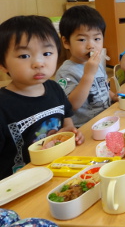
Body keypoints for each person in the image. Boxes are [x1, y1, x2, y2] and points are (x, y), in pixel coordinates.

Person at [0, 15, 84, 180]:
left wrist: (71, 132)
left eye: (47, 53)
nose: (39, 63)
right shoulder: (3, 105)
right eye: (24, 56)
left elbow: (67, 121)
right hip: (19, 184)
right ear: (3, 64)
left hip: (57, 170)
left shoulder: (53, 88)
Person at [55, 5, 116, 128]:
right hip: (84, 127)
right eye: (82, 40)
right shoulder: (66, 72)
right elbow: (71, 105)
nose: (91, 45)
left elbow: (103, 87)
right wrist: (88, 75)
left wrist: (113, 96)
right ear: (66, 42)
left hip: (105, 119)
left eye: (97, 38)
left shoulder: (96, 64)